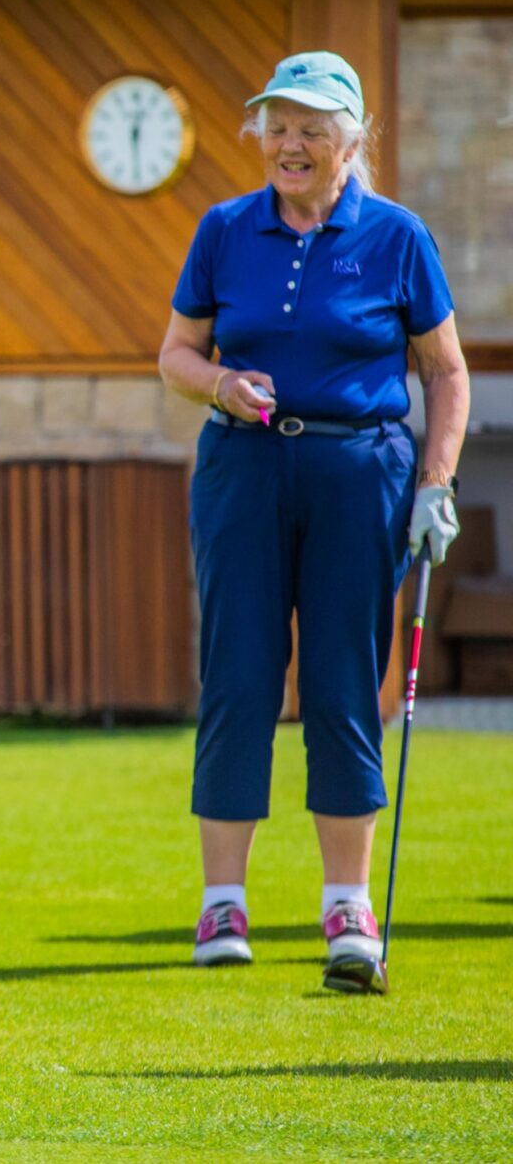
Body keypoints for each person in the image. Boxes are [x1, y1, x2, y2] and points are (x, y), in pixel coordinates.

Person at [158, 51, 468, 992]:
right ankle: (224, 901)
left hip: (359, 469)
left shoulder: (398, 236)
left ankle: (347, 903)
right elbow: (174, 350)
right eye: (277, 125)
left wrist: (435, 482)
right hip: (244, 466)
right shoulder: (223, 229)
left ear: (352, 141)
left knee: (340, 682)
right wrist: (219, 383)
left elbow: (445, 371)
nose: (289, 144)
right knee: (240, 675)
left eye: (311, 128)